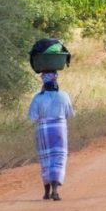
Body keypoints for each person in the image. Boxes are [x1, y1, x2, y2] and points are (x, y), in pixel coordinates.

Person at [28, 72, 74, 201]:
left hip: (43, 130)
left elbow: (32, 116)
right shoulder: (64, 96)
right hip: (60, 129)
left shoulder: (37, 98)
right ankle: (55, 191)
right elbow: (69, 113)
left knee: (45, 160)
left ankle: (46, 192)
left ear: (44, 83)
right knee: (59, 158)